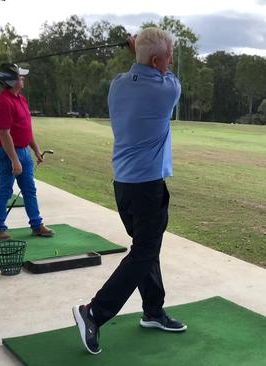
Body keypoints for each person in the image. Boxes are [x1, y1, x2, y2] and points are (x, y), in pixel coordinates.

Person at [72, 28, 185, 356]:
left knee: (146, 249)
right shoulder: (167, 90)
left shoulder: (118, 84)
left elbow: (144, 67)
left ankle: (153, 311)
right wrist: (139, 49)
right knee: (144, 252)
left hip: (123, 185)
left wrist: (139, 52)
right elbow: (168, 74)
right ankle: (93, 313)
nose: (171, 61)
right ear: (156, 60)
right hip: (147, 187)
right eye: (169, 56)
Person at [0, 62, 54, 241]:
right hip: (6, 153)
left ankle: (36, 225)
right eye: (19, 76)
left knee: (29, 190)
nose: (23, 78)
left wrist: (36, 150)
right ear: (10, 81)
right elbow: (4, 134)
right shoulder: (3, 101)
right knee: (5, 190)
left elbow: (26, 129)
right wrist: (14, 160)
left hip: (23, 151)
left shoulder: (21, 98)